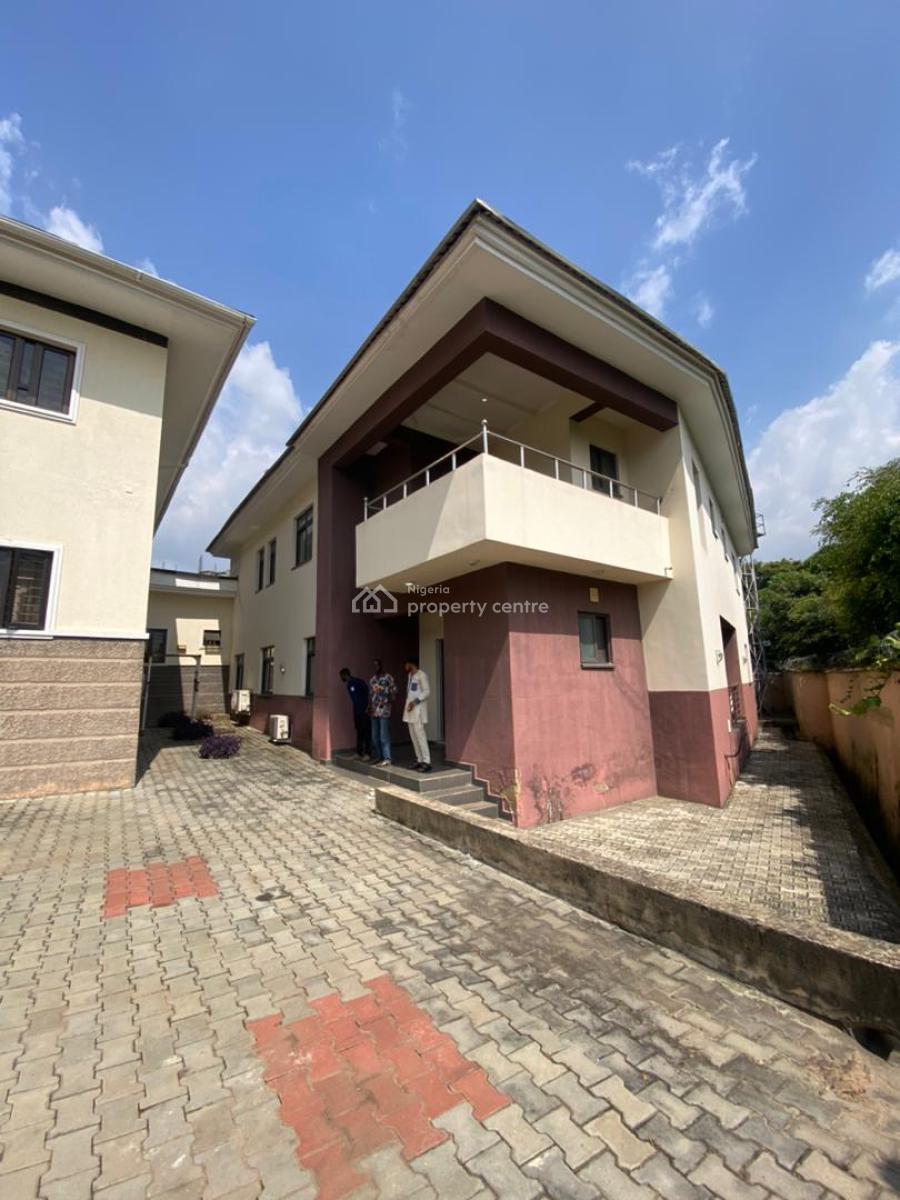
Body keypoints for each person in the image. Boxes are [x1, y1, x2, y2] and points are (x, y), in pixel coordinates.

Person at [403, 655, 431, 771]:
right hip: (410, 710)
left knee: (420, 735)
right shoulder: (410, 675)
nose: (405, 666)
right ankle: (419, 759)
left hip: (418, 709)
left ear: (411, 664)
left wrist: (415, 701)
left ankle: (426, 761)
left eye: (406, 664)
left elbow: (427, 691)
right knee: (413, 736)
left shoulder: (421, 675)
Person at [368, 658, 397, 766]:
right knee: (375, 737)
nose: (376, 667)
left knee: (383, 735)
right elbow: (370, 694)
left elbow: (394, 691)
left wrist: (384, 691)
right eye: (374, 665)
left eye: (377, 665)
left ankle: (387, 758)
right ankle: (380, 757)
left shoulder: (388, 678)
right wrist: (369, 706)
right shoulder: (372, 680)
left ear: (381, 665)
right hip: (374, 711)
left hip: (384, 710)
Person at [339, 668, 371, 759]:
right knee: (359, 732)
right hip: (357, 711)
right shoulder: (349, 685)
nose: (341, 678)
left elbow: (368, 693)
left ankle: (368, 753)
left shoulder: (358, 682)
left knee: (366, 732)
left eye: (342, 676)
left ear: (346, 675)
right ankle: (359, 752)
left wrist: (367, 707)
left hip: (364, 711)